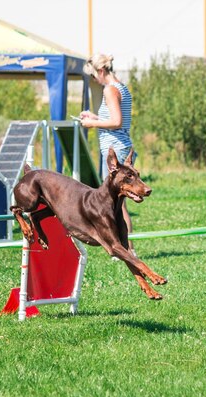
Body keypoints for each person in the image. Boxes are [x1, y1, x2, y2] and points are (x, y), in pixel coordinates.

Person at [80, 53, 138, 254]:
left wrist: (91, 123)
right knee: (118, 203)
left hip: (116, 149)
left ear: (101, 71)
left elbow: (116, 122)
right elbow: (114, 120)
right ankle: (125, 248)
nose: (94, 80)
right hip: (119, 146)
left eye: (94, 75)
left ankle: (127, 249)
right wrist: (95, 116)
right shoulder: (121, 86)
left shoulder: (110, 90)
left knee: (118, 203)